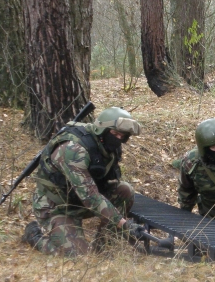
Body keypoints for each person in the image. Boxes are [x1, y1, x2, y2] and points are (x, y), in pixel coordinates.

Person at [22, 107, 142, 256]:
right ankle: (34, 236)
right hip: (57, 205)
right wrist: (124, 224)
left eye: (122, 136)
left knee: (125, 190)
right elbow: (91, 197)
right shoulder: (74, 150)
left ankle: (103, 246)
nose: (118, 139)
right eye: (114, 134)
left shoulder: (107, 146)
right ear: (102, 130)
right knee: (76, 255)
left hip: (80, 199)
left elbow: (100, 185)